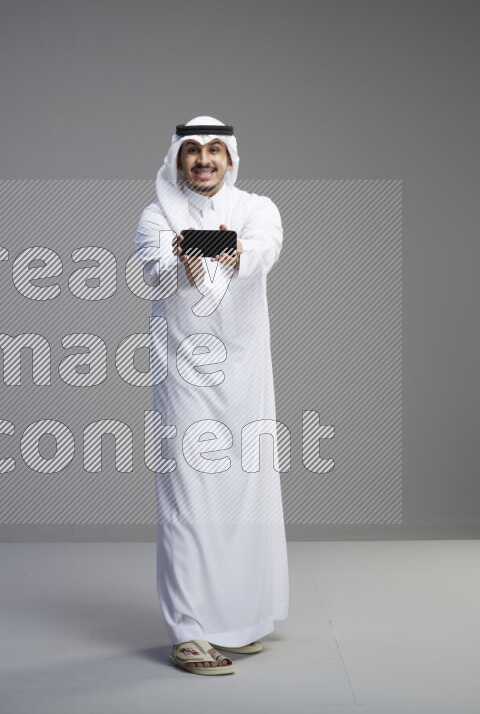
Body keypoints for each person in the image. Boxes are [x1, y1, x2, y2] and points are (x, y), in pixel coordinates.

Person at [134, 116, 289, 675]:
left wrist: (227, 250)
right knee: (187, 500)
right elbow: (153, 270)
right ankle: (190, 633)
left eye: (214, 150)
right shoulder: (156, 215)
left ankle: (238, 620)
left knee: (245, 495)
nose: (203, 160)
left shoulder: (257, 208)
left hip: (245, 376)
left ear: (231, 159)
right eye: (192, 151)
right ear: (177, 159)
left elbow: (263, 251)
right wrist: (184, 254)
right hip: (184, 379)